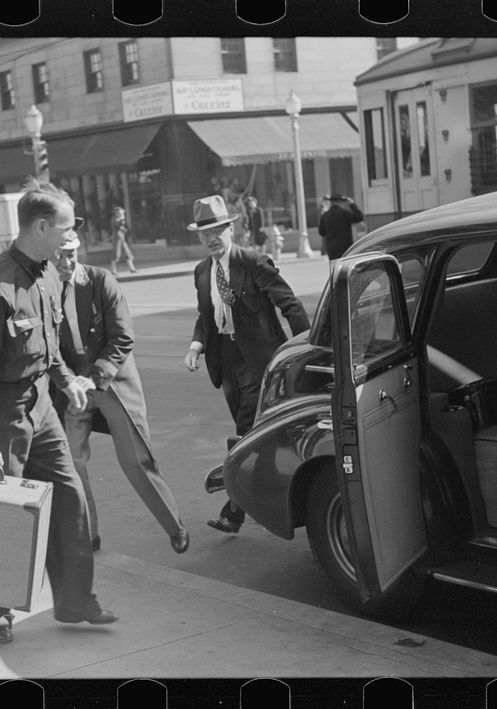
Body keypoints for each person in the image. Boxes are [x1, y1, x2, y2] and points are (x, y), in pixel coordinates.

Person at [0, 177, 118, 644]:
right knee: (2, 514)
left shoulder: (48, 273)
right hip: (0, 410)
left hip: (41, 402)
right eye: (67, 226)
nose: (72, 236)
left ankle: (75, 601)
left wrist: (65, 377)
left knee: (70, 496)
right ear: (42, 225)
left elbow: (48, 345)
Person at [52, 230, 190, 555]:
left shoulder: (102, 281)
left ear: (78, 249)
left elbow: (122, 337)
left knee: (136, 461)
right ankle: (88, 536)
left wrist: (95, 376)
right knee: (71, 462)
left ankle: (175, 527)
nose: (66, 261)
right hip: (74, 390)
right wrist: (69, 381)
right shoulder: (44, 292)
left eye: (71, 252)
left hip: (112, 384)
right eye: (58, 254)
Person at [182, 195, 310, 534]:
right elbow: (205, 316)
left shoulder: (253, 263)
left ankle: (234, 509)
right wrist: (196, 345)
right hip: (226, 361)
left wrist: (309, 349)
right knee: (254, 435)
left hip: (260, 363)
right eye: (204, 232)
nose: (211, 238)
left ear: (230, 228)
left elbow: (291, 306)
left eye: (217, 230)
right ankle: (263, 497)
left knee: (244, 433)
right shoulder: (202, 271)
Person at [317, 193, 364, 262]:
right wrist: (352, 204)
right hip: (345, 247)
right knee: (345, 267)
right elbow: (359, 217)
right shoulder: (344, 213)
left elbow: (321, 232)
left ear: (331, 203)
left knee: (335, 268)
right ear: (340, 202)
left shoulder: (325, 215)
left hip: (331, 248)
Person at [109, 206, 136, 275]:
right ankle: (113, 270)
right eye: (118, 211)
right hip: (117, 238)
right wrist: (125, 229)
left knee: (127, 253)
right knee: (116, 254)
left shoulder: (121, 218)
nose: (120, 212)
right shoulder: (115, 219)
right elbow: (120, 227)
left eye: (120, 211)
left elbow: (123, 228)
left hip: (122, 238)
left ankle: (132, 269)